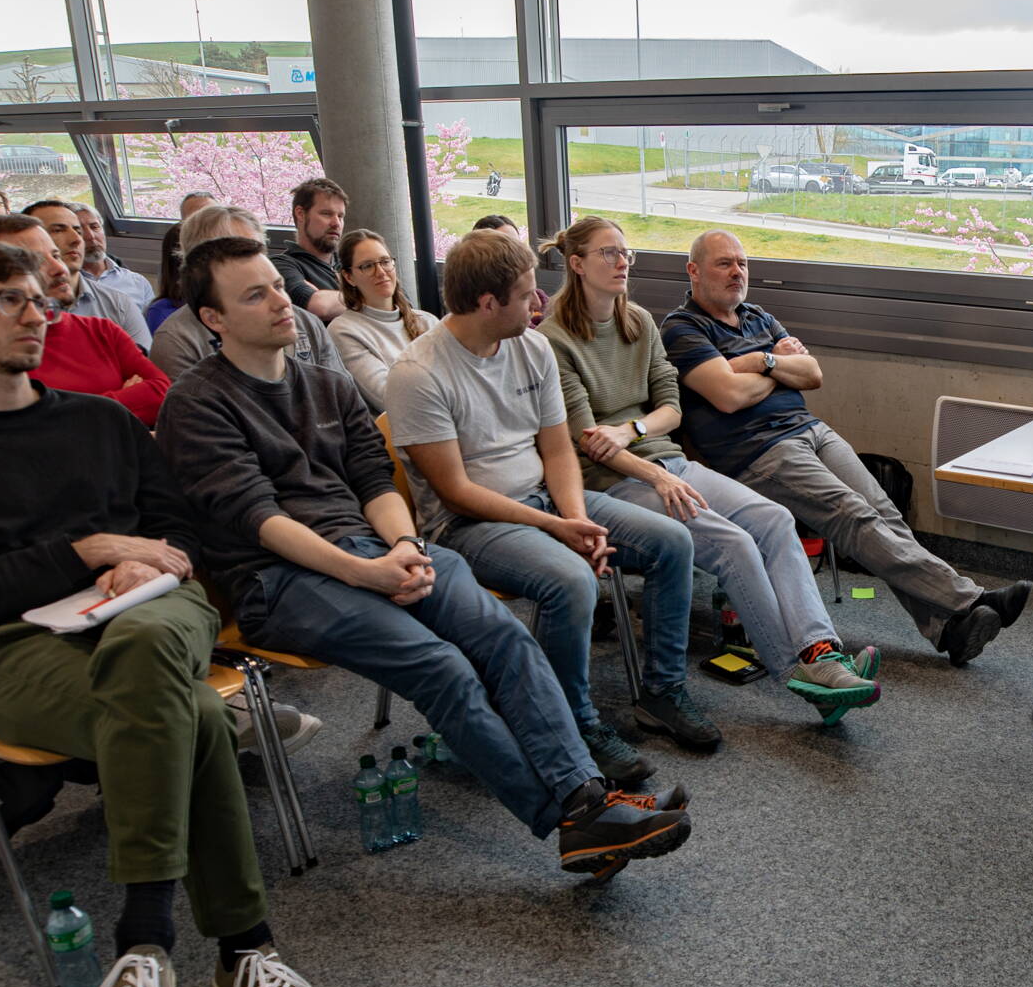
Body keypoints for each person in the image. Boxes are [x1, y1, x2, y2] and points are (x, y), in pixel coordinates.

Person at [0, 238, 326, 987]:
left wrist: (144, 557)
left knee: (150, 645)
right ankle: (242, 952)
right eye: (5, 298)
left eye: (38, 296)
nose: (35, 312)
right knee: (185, 712)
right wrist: (87, 549)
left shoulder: (102, 421)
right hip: (12, 651)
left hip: (157, 608)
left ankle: (142, 945)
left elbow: (181, 534)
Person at [158, 236, 692, 874]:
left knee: (503, 638)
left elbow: (374, 482)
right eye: (256, 294)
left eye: (277, 283)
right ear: (212, 319)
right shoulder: (196, 402)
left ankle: (586, 801)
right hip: (282, 578)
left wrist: (403, 545)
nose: (282, 301)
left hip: (374, 548)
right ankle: (574, 818)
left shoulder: (324, 384)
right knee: (441, 666)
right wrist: (367, 570)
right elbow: (260, 519)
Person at [386, 229, 720, 787]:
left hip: (546, 498)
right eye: (524, 295)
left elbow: (558, 447)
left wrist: (576, 517)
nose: (538, 303)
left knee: (671, 541)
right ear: (488, 304)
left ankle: (661, 692)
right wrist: (557, 527)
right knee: (572, 581)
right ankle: (575, 722)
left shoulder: (531, 345)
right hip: (470, 524)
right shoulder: (419, 374)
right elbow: (454, 493)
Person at [541, 216, 878, 721]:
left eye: (625, 252)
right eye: (609, 253)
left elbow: (671, 408)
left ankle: (819, 651)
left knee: (774, 520)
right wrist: (653, 471)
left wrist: (635, 432)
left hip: (665, 461)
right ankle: (799, 674)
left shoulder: (638, 322)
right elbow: (588, 443)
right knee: (733, 544)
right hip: (614, 483)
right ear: (577, 264)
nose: (622, 262)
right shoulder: (555, 340)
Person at [663, 229, 1029, 666]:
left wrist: (761, 361)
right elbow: (728, 396)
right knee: (852, 516)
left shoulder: (757, 315)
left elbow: (813, 373)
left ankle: (946, 628)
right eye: (724, 263)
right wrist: (779, 364)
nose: (737, 272)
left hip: (811, 430)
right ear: (694, 270)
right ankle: (967, 600)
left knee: (884, 511)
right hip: (757, 452)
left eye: (742, 263)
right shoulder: (681, 328)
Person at [0, 214, 169, 425]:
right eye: (37, 261)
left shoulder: (101, 330)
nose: (60, 269)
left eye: (56, 256)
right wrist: (120, 401)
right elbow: (33, 428)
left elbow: (162, 392)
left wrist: (72, 413)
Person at [151, 206, 350, 383]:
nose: (253, 263)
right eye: (237, 254)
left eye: (255, 251)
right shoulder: (178, 340)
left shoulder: (305, 322)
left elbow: (343, 402)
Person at [325, 228, 429, 412]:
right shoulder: (343, 331)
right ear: (349, 277)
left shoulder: (427, 321)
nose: (380, 272)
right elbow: (390, 397)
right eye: (367, 266)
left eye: (385, 262)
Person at [26, 199, 148, 345]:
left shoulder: (119, 303)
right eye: (58, 230)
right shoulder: (12, 309)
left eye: (77, 231)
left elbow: (141, 362)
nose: (78, 239)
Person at [271, 178, 350, 321]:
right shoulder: (281, 265)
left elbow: (400, 299)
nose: (336, 223)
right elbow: (319, 306)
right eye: (326, 213)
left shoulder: (352, 260)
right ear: (300, 214)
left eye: (340, 216)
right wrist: (372, 297)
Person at [74, 204, 156, 319]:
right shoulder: (65, 287)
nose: (91, 236)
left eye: (94, 227)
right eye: (80, 231)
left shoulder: (137, 282)